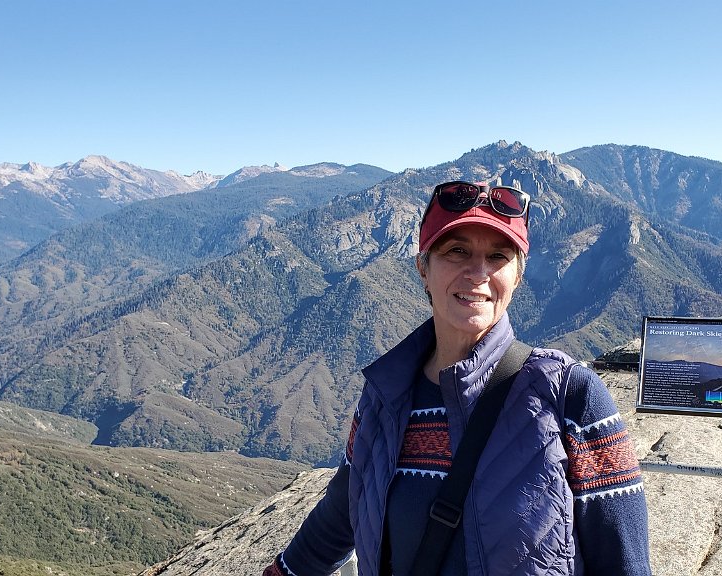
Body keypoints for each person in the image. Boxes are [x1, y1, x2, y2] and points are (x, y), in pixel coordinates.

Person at [263, 180, 651, 575]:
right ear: (423, 268)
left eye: (498, 256)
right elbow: (337, 519)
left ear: (518, 276)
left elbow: (625, 562)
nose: (478, 273)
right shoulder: (384, 400)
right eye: (457, 251)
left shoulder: (570, 396)